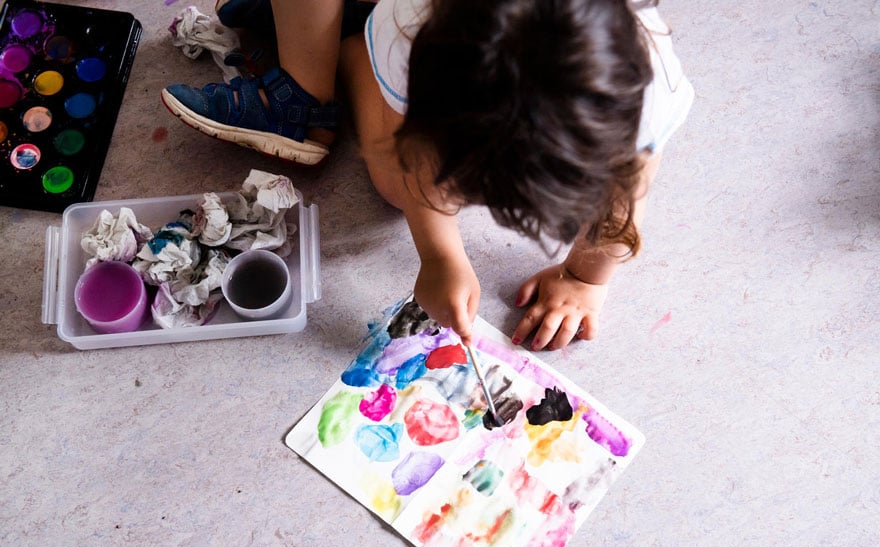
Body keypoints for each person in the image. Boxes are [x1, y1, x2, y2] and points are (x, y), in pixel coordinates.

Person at [161, 0, 694, 351]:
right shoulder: (410, 28)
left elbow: (626, 194)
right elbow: (408, 158)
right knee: (396, 185)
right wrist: (440, 254)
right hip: (394, 27)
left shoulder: (646, 91)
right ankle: (313, 81)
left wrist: (584, 278)